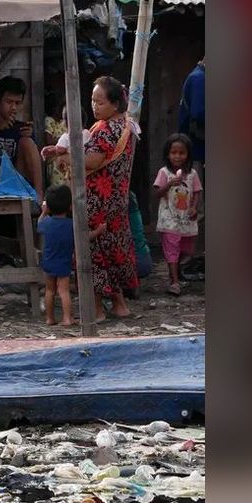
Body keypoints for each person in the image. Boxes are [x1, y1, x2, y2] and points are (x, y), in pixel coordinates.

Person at [83, 75, 139, 320]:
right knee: (113, 250)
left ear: (115, 104)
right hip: (117, 199)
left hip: (98, 202)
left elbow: (91, 162)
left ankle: (96, 310)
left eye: (100, 102)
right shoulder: (128, 125)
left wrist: (65, 156)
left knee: (93, 251)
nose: (94, 106)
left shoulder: (105, 130)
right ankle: (119, 305)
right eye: (93, 101)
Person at [38, 184, 106, 326]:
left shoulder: (46, 223)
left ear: (49, 206)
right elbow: (85, 237)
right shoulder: (71, 225)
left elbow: (39, 224)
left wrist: (43, 212)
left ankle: (49, 318)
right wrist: (99, 231)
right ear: (70, 206)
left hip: (48, 261)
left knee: (49, 290)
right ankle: (67, 318)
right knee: (64, 291)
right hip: (64, 262)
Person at [153, 133, 202, 296]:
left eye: (182, 153)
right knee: (172, 247)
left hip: (186, 217)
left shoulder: (192, 174)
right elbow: (157, 193)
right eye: (174, 152)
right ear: (168, 154)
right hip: (169, 218)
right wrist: (169, 184)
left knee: (186, 249)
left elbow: (196, 192)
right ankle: (174, 282)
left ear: (188, 154)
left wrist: (194, 207)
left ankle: (176, 272)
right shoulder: (164, 172)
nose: (177, 156)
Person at [40, 105, 89, 190]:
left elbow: (60, 149)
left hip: (69, 170)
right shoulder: (87, 133)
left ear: (66, 122)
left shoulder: (66, 136)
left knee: (67, 190)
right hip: (85, 169)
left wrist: (51, 150)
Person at [178, 57, 205, 182]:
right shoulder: (199, 78)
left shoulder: (198, 76)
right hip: (196, 148)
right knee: (196, 192)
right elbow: (198, 113)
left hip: (195, 147)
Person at [124, 190, 152, 299]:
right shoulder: (136, 216)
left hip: (138, 264)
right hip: (144, 261)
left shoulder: (125, 219)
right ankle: (133, 283)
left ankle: (130, 283)